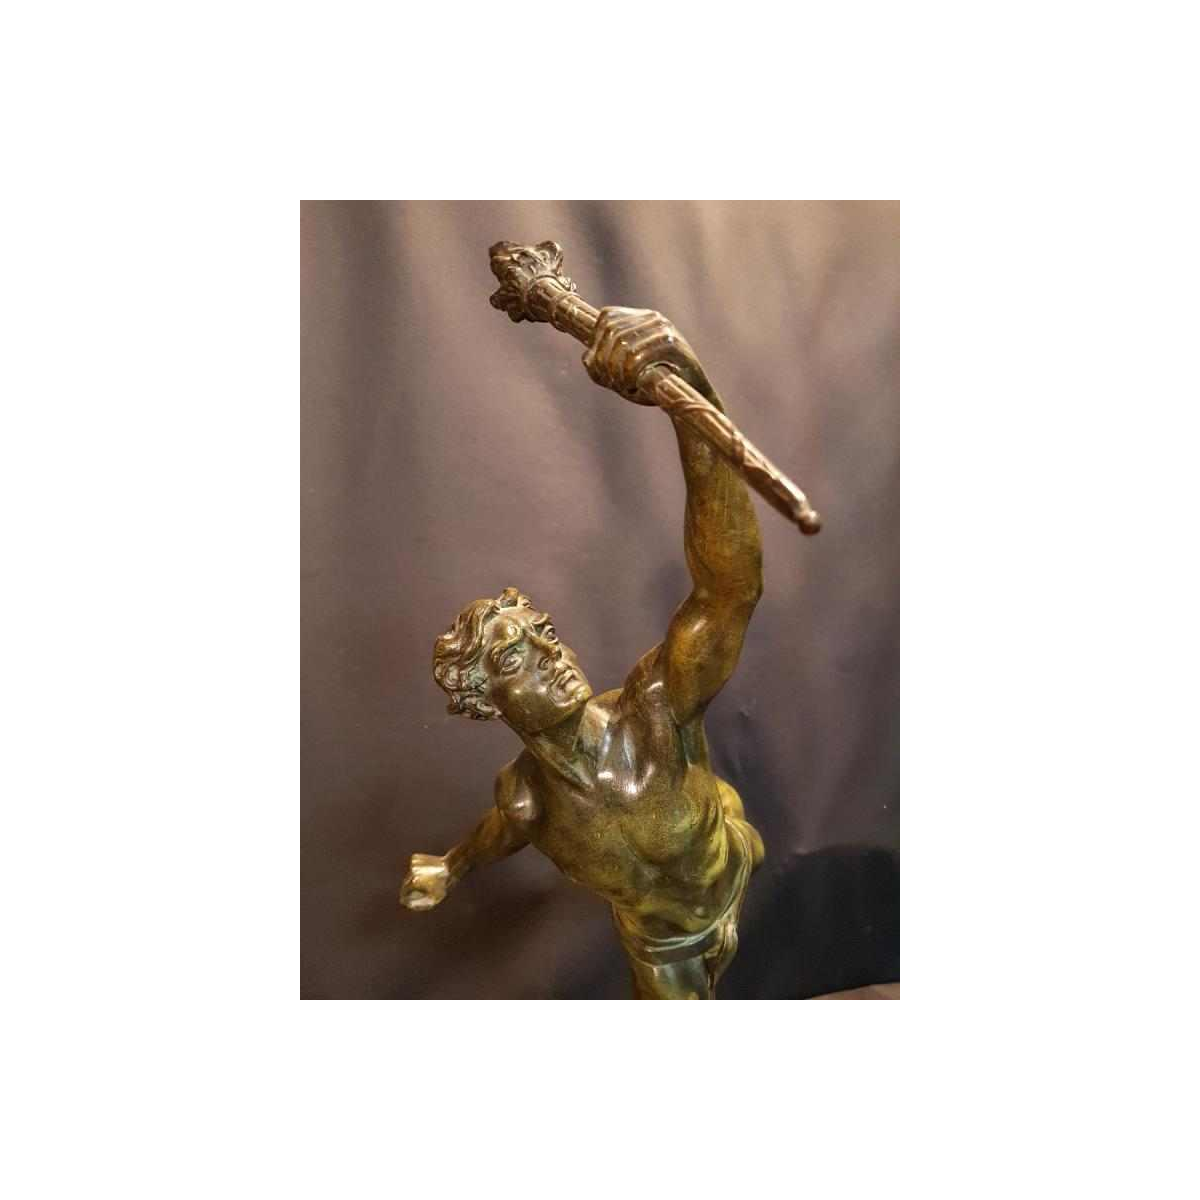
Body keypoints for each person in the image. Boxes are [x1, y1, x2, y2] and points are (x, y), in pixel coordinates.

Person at [400, 307, 766, 999]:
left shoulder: (655, 709)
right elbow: (499, 833)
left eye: (544, 634)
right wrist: (451, 867)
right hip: (664, 944)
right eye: (517, 660)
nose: (551, 654)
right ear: (484, 701)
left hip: (740, 867)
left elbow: (728, 590)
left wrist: (690, 393)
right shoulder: (528, 800)